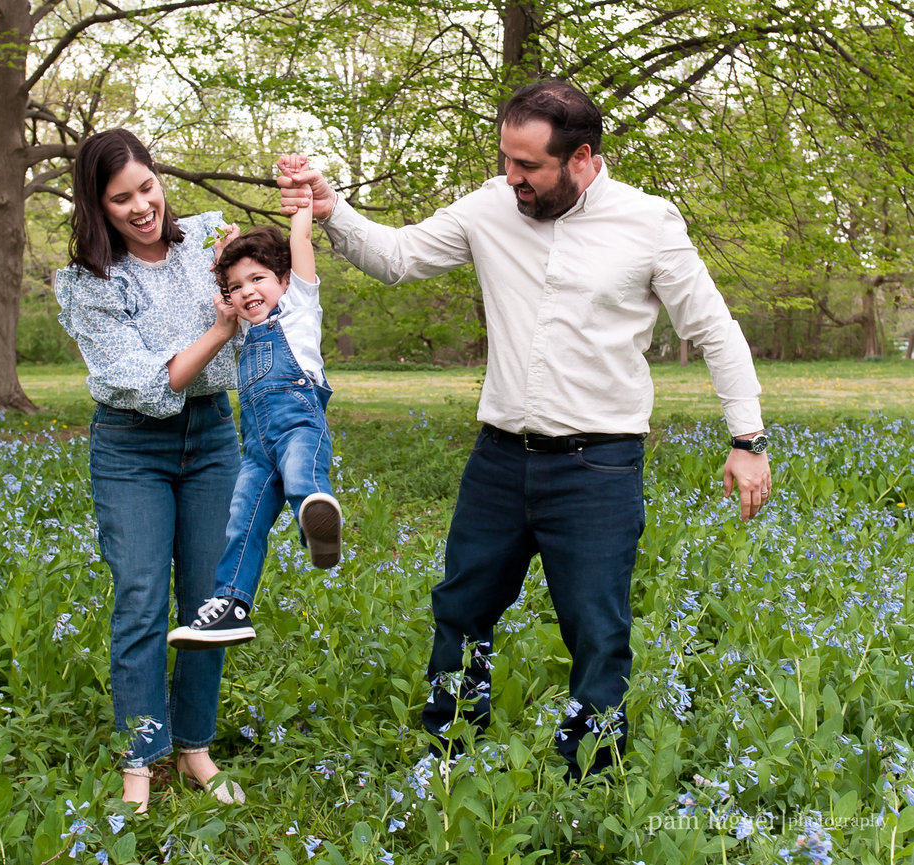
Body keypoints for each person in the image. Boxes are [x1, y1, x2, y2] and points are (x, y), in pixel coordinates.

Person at [278, 80, 772, 779]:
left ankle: (592, 776)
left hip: (597, 466)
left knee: (596, 630)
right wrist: (334, 212)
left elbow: (714, 332)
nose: (511, 177)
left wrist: (745, 439)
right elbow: (397, 258)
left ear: (581, 158)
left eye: (527, 166)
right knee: (461, 608)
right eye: (505, 160)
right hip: (499, 461)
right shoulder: (490, 204)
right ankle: (448, 752)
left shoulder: (648, 222)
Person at [54, 128, 246, 811]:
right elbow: (147, 382)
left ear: (159, 180)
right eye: (120, 199)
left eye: (146, 188)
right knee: (140, 596)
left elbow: (269, 282)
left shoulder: (207, 240)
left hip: (213, 437)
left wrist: (260, 264)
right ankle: (140, 757)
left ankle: (193, 745)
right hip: (132, 445)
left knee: (206, 602)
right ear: (97, 206)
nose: (141, 207)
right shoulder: (90, 281)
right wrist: (220, 331)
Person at [167, 154, 342, 651]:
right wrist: (224, 254)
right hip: (255, 446)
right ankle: (231, 604)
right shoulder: (243, 325)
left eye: (258, 279)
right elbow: (225, 281)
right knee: (241, 519)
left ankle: (315, 518)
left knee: (301, 468)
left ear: (284, 279)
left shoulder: (299, 303)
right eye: (236, 287)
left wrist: (300, 195)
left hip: (297, 419)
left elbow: (300, 241)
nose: (247, 291)